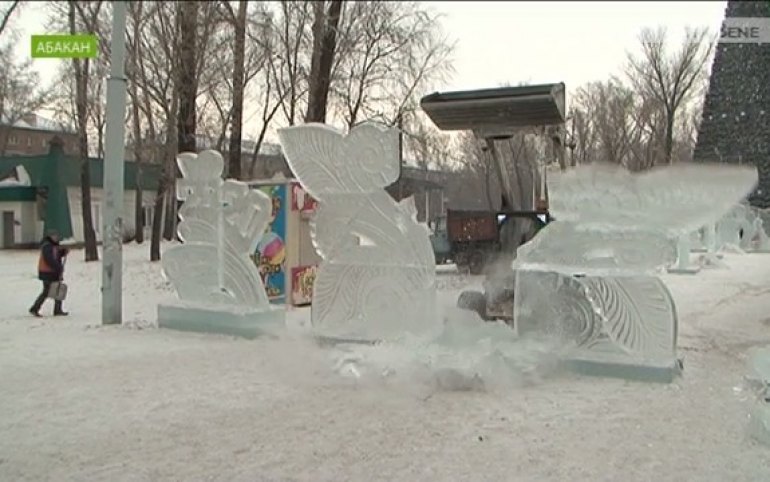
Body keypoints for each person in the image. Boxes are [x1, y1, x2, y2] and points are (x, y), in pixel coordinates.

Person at [29, 230, 69, 317]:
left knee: (58, 289)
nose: (56, 238)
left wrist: (63, 252)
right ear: (50, 237)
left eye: (57, 236)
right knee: (47, 291)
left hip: (53, 271)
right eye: (54, 236)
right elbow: (49, 259)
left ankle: (57, 309)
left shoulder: (54, 246)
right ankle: (34, 308)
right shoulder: (47, 246)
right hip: (47, 272)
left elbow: (56, 255)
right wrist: (58, 267)